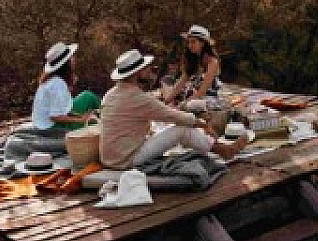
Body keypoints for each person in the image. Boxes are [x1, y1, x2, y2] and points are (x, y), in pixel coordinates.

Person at [99, 49, 248, 170]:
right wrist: (201, 123)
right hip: (126, 160)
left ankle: (218, 147)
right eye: (145, 68)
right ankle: (224, 151)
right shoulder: (137, 97)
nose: (149, 70)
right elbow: (174, 116)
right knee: (181, 130)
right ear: (137, 73)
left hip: (110, 158)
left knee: (167, 129)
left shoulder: (110, 94)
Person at [25, 41, 101, 134]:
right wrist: (80, 120)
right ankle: (110, 115)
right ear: (66, 63)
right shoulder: (57, 84)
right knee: (88, 97)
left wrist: (78, 115)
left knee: (87, 99)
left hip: (44, 122)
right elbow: (54, 116)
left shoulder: (52, 79)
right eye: (71, 57)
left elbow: (62, 106)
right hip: (51, 126)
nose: (73, 59)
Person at [163, 24, 222, 105]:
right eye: (189, 42)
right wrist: (166, 101)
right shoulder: (191, 59)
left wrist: (183, 104)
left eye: (193, 42)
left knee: (193, 105)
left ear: (202, 43)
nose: (190, 45)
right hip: (191, 92)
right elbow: (182, 81)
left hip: (208, 95)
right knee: (166, 82)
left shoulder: (212, 61)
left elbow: (203, 91)